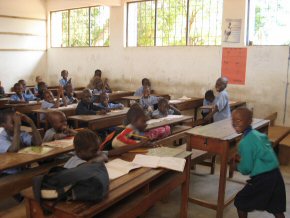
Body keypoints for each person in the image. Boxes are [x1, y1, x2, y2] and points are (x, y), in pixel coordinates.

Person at [232, 108, 286, 218]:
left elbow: (246, 168)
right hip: (276, 175)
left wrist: (237, 166)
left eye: (239, 120)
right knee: (276, 207)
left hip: (263, 178)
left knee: (240, 201)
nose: (234, 123)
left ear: (249, 121)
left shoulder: (244, 142)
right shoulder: (259, 134)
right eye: (233, 120)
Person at [0, 109, 42, 174]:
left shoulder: (21, 133)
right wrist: (17, 126)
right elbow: (13, 150)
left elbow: (38, 143)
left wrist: (31, 122)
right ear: (3, 125)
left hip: (22, 169)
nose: (18, 123)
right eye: (13, 122)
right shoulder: (1, 138)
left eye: (18, 121)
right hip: (7, 173)